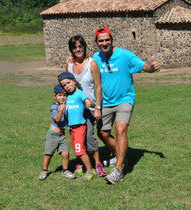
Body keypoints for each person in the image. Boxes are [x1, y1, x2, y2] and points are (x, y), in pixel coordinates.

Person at [93, 27, 161, 184]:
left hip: (125, 98)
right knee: (102, 133)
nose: (104, 43)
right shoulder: (95, 58)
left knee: (120, 129)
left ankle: (118, 170)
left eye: (107, 40)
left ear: (112, 40)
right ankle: (121, 156)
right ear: (96, 43)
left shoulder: (125, 55)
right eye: (101, 41)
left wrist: (153, 67)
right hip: (106, 102)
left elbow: (144, 67)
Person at [66, 35, 106, 177]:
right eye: (75, 47)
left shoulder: (92, 64)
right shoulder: (69, 65)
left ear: (84, 47)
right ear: (71, 49)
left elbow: (98, 86)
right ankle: (82, 163)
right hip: (74, 109)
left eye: (80, 46)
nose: (78, 49)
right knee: (78, 138)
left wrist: (98, 108)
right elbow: (66, 86)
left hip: (89, 109)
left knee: (89, 137)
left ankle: (98, 164)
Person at [58, 72, 96, 181]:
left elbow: (88, 101)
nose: (67, 86)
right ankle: (85, 166)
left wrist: (90, 104)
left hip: (79, 126)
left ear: (74, 81)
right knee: (78, 149)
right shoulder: (66, 96)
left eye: (68, 83)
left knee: (79, 151)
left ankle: (90, 171)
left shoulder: (79, 93)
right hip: (71, 128)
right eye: (64, 85)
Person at [38, 84, 75, 181]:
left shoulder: (67, 106)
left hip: (62, 135)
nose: (62, 97)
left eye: (64, 95)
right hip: (52, 135)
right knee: (49, 154)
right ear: (55, 96)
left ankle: (65, 171)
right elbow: (57, 120)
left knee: (66, 154)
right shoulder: (54, 107)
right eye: (60, 95)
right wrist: (61, 111)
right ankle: (44, 171)